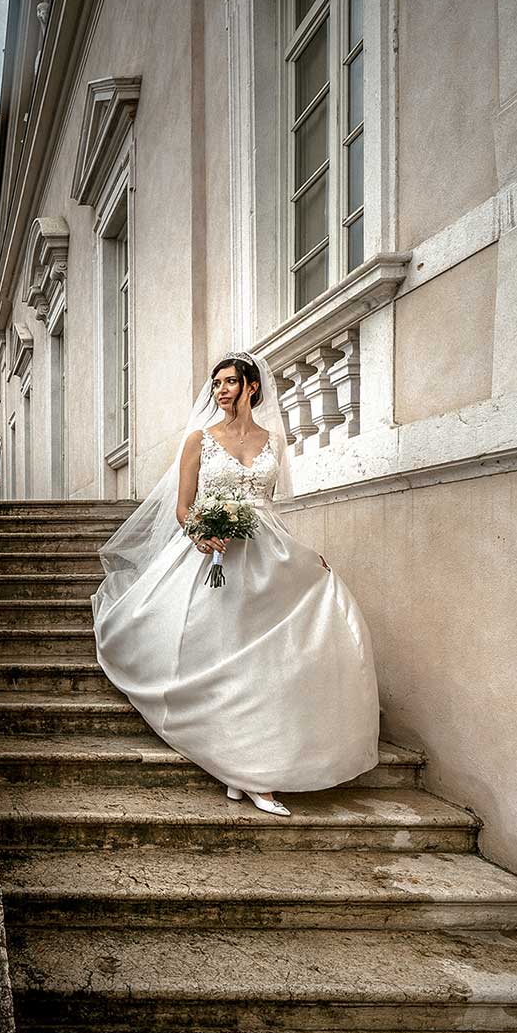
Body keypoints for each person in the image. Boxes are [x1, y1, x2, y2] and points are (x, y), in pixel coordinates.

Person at [91, 350, 379, 816]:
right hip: (215, 550)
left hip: (268, 551)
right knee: (223, 652)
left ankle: (246, 765)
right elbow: (184, 507)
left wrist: (307, 557)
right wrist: (201, 533)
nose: (221, 390)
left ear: (252, 388)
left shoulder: (272, 442)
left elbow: (270, 505)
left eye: (229, 382)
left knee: (274, 652)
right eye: (217, 383)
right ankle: (242, 769)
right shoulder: (199, 440)